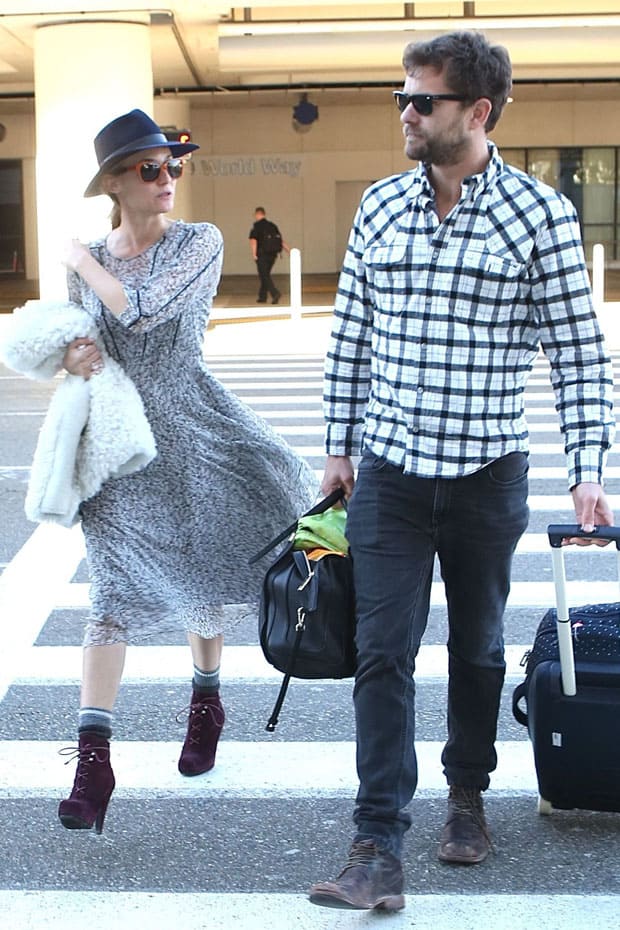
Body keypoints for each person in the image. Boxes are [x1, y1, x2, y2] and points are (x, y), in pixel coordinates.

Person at [309, 31, 615, 911]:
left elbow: (579, 357)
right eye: (402, 95)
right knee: (380, 653)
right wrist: (339, 447)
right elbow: (352, 338)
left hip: (487, 477)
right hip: (392, 477)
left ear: (477, 113)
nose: (406, 111)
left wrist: (588, 470)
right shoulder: (379, 208)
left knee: (477, 650)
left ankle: (467, 794)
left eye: (424, 100)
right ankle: (376, 842)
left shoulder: (539, 216)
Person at [52, 109, 316, 834]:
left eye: (173, 167)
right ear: (114, 182)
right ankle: (92, 763)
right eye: (150, 169)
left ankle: (206, 700)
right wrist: (73, 358)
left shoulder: (200, 243)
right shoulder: (96, 258)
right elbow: (89, 344)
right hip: (119, 447)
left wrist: (80, 264)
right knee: (109, 596)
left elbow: (139, 314)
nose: (167, 178)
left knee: (201, 583)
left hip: (195, 431)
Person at [248, 206, 290, 304]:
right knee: (265, 274)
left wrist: (254, 254)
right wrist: (289, 250)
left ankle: (275, 293)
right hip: (273, 255)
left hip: (262, 254)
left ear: (257, 214)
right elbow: (280, 241)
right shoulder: (272, 226)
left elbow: (253, 241)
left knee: (264, 275)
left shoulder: (256, 226)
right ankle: (262, 296)